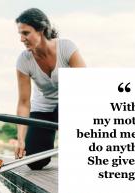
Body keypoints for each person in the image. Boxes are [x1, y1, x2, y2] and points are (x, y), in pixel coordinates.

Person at [15, 8, 86, 169]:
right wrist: (20, 139)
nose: (21, 39)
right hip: (44, 107)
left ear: (41, 30)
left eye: (26, 33)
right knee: (34, 162)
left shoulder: (66, 47)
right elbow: (24, 102)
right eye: (20, 34)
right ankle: (48, 143)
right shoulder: (23, 60)